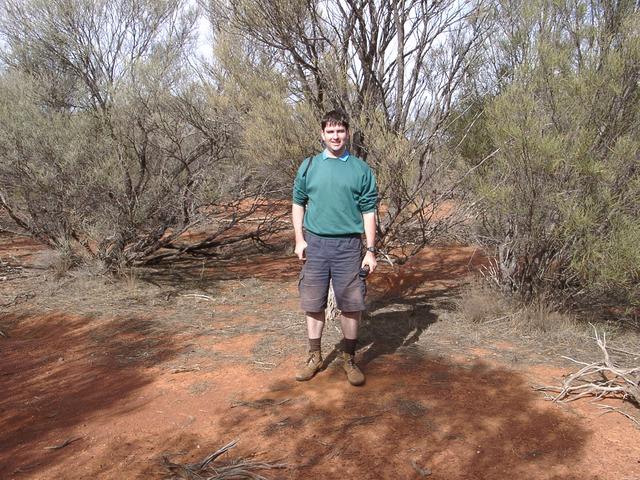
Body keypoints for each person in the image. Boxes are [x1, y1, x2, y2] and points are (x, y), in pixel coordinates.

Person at [291, 109, 378, 386]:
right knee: (313, 301)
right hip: (315, 243)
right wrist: (299, 239)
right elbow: (298, 203)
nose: (335, 136)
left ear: (347, 133)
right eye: (330, 131)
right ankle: (314, 356)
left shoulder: (361, 170)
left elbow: (369, 212)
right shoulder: (309, 166)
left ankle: (349, 359)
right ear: (322, 134)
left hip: (349, 246)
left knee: (351, 305)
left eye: (340, 131)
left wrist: (371, 250)